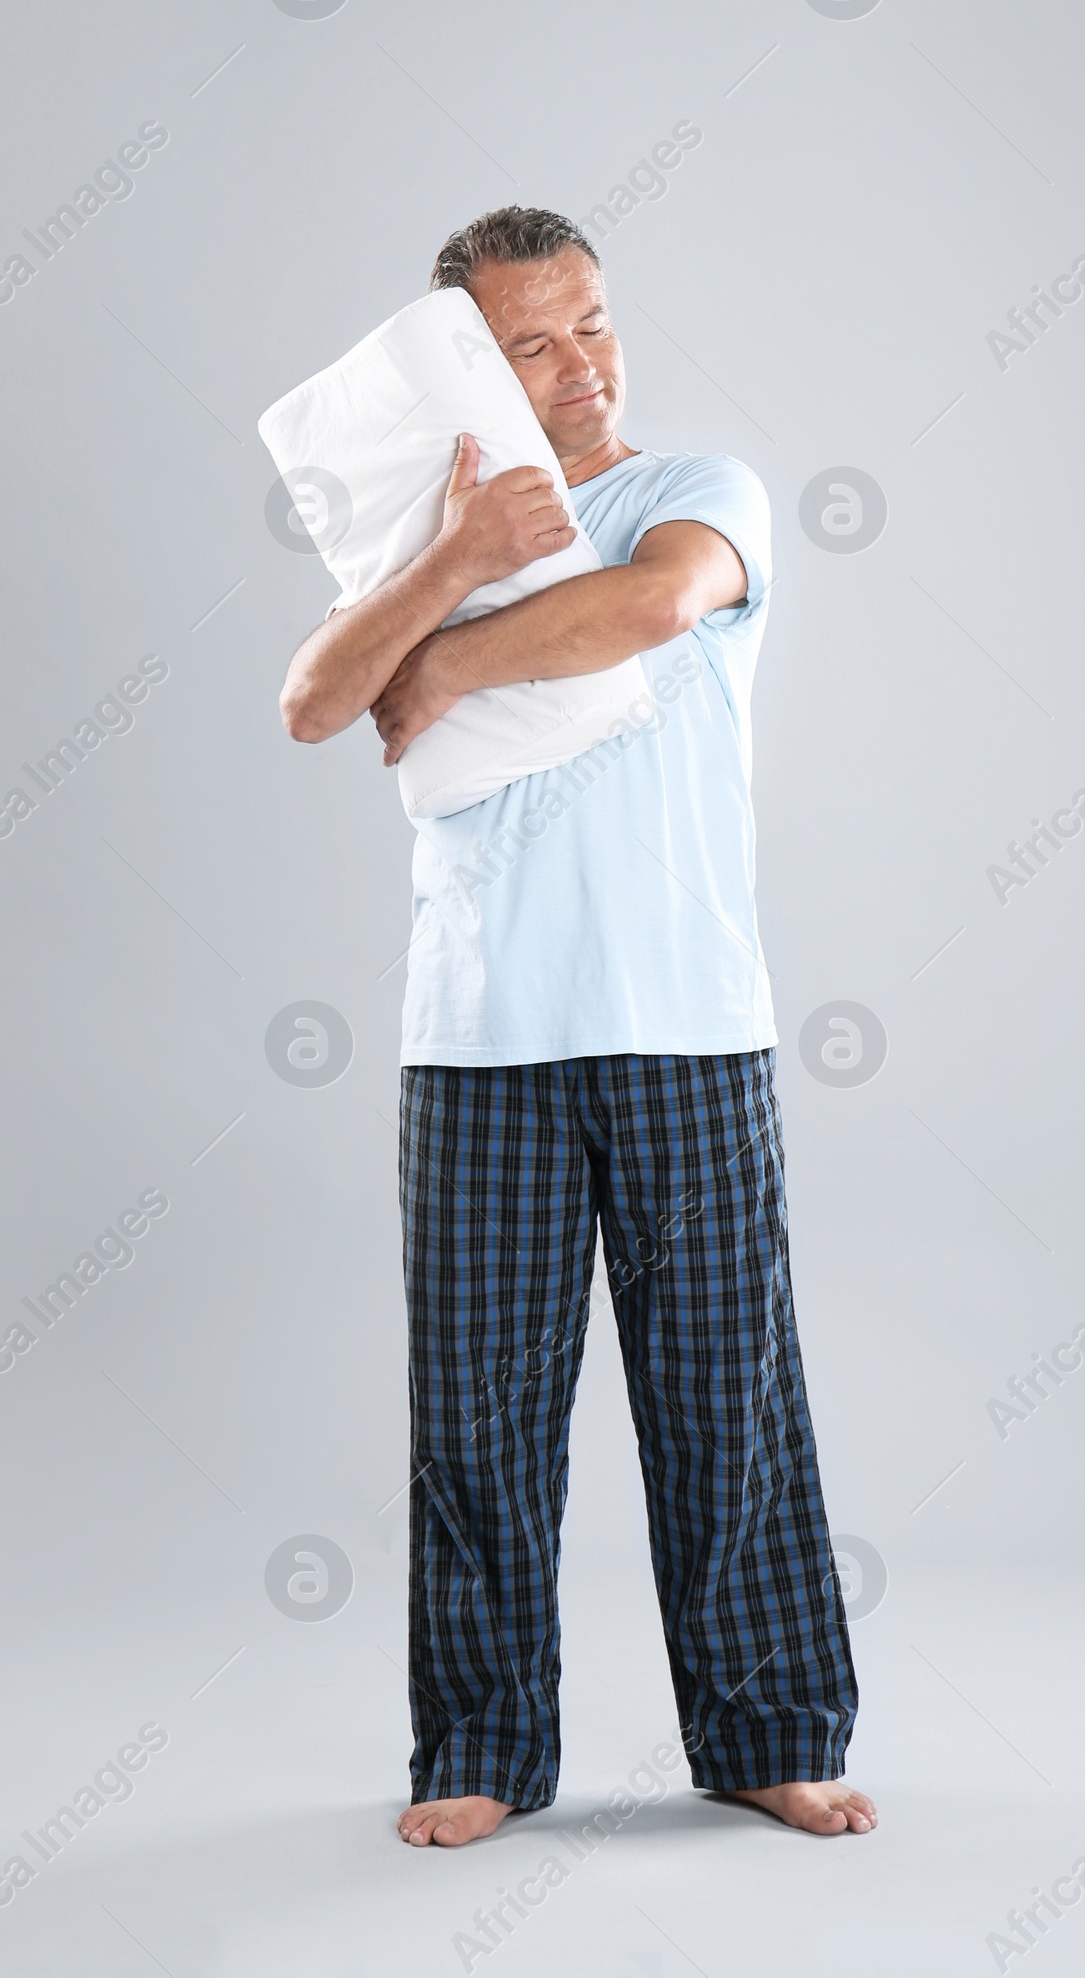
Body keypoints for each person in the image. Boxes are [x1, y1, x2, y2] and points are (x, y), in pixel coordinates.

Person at [278, 207, 876, 1848]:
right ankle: (476, 1746)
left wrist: (443, 665)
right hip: (477, 1042)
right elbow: (316, 700)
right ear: (478, 359)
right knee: (473, 1417)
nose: (581, 364)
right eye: (533, 342)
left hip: (685, 1023)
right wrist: (454, 569)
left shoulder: (696, 494)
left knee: (724, 1399)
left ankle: (767, 1729)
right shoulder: (427, 533)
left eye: (594, 322)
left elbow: (647, 612)